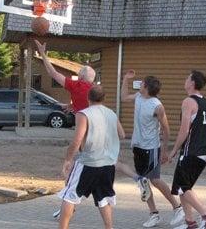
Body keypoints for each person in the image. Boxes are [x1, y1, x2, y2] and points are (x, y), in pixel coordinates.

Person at [34, 39, 141, 219]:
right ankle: (137, 179)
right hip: (102, 135)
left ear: (81, 77)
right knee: (108, 173)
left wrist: (43, 54)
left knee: (73, 173)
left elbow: (52, 73)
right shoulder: (94, 91)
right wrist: (72, 106)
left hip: (86, 139)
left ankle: (68, 203)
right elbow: (90, 105)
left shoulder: (76, 85)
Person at [121, 70, 184, 228]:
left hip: (151, 147)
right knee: (143, 181)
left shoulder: (157, 106)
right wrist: (125, 80)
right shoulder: (138, 97)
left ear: (147, 87)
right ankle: (154, 214)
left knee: (155, 179)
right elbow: (123, 98)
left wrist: (164, 151)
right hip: (138, 146)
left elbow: (166, 129)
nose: (140, 84)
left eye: (142, 83)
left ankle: (178, 208)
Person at [58, 85, 125, 229]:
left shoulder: (84, 114)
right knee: (104, 198)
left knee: (70, 195)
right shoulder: (111, 114)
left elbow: (77, 140)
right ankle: (109, 227)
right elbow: (122, 134)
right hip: (107, 163)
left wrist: (68, 160)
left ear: (88, 98)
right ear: (104, 98)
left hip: (88, 162)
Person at [169, 70, 206, 229]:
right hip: (202, 152)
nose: (185, 80)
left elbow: (184, 130)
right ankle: (190, 223)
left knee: (183, 187)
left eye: (187, 78)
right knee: (181, 187)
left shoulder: (188, 102)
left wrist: (174, 149)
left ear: (192, 83)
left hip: (191, 151)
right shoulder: (205, 102)